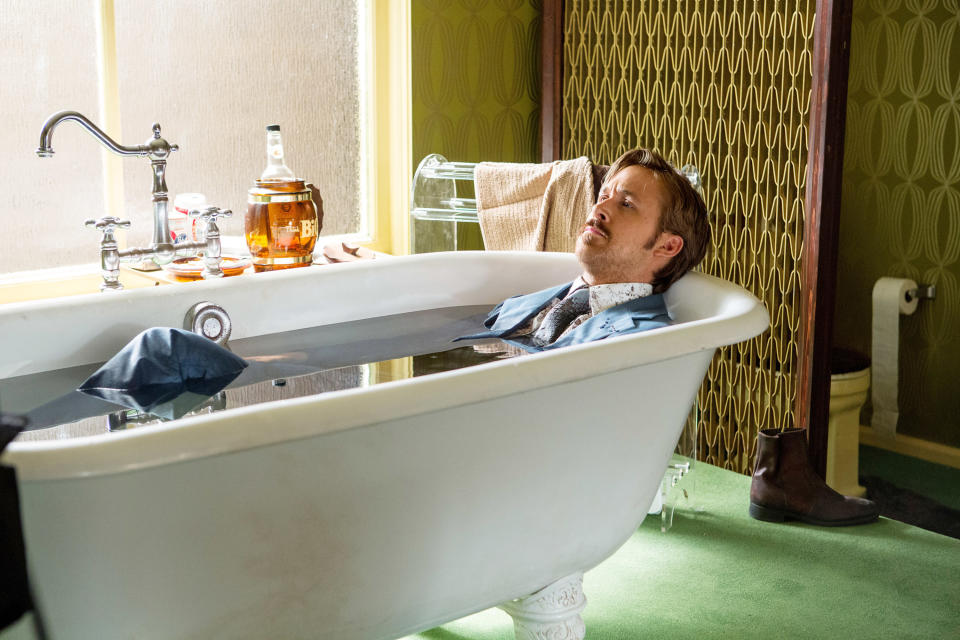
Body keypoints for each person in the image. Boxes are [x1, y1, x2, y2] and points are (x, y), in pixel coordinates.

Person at [457, 148, 711, 352]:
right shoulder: (518, 305)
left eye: (626, 204)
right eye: (603, 197)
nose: (598, 209)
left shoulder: (645, 346)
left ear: (667, 245)